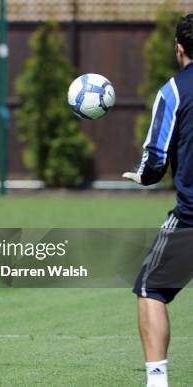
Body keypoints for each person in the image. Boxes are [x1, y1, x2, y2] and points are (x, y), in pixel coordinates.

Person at [122, 13, 193, 387]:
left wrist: (143, 175)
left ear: (179, 48)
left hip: (191, 219)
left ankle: (157, 382)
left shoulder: (174, 91)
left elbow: (156, 160)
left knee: (151, 289)